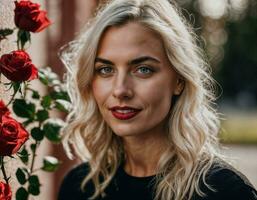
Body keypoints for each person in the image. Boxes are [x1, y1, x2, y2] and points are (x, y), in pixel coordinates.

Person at [57, 0, 257, 199]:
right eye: (106, 69)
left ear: (179, 80)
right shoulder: (79, 187)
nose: (120, 90)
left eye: (143, 69)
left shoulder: (225, 192)